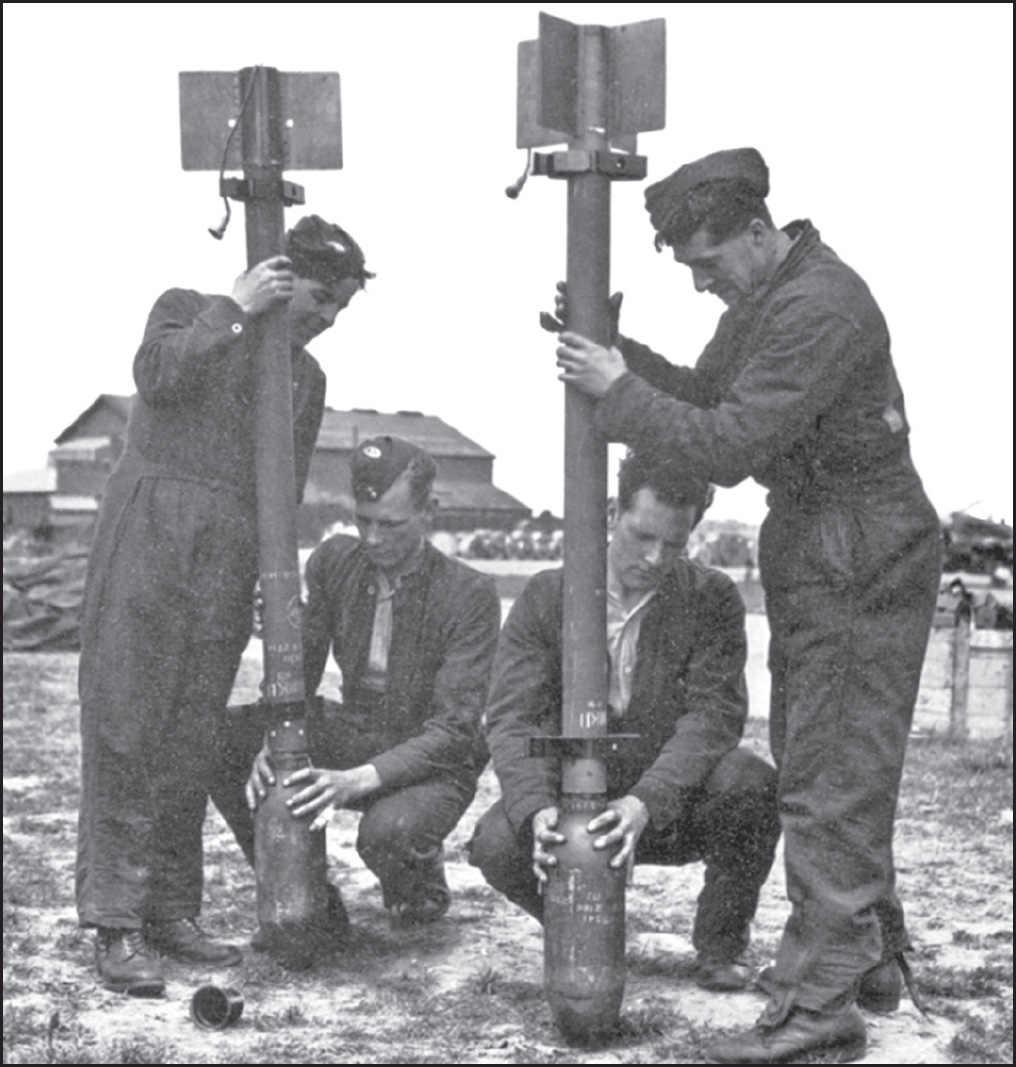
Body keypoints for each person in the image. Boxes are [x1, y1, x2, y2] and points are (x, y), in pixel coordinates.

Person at [553, 148, 942, 1063]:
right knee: (826, 755)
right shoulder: (771, 297)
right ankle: (868, 958)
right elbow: (699, 392)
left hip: (855, 544)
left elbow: (726, 442)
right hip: (827, 540)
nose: (700, 284)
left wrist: (617, 389)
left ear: (759, 233)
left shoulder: (817, 307)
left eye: (706, 262)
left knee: (829, 774)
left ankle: (819, 1007)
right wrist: (622, 358)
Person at [76, 215, 372, 995]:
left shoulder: (304, 380)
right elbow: (158, 374)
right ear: (278, 276)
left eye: (338, 310)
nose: (325, 320)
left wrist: (270, 578)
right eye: (317, 299)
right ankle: (115, 923)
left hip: (229, 554)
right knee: (126, 726)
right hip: (150, 531)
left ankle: (171, 912)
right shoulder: (187, 307)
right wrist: (236, 309)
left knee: (191, 732)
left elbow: (288, 487)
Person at [469, 450, 781, 993]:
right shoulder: (546, 596)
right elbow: (511, 718)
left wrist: (645, 803)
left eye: (676, 544)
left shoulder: (711, 599)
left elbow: (715, 716)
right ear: (613, 512)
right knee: (498, 840)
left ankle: (721, 946)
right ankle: (582, 923)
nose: (656, 557)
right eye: (642, 537)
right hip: (574, 801)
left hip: (666, 805)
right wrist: (537, 810)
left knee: (750, 785)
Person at [234, 436, 501, 927]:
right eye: (364, 520)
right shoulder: (336, 561)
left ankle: (417, 881)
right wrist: (274, 734)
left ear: (429, 512)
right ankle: (310, 899)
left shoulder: (471, 595)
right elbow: (302, 668)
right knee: (230, 739)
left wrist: (354, 780)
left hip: (434, 760)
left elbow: (453, 730)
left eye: (391, 524)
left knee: (388, 833)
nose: (373, 539)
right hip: (358, 729)